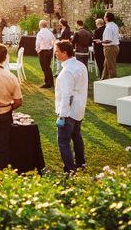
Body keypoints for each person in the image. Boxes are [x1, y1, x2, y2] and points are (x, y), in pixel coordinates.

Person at [54, 40, 88, 173]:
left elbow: (66, 96)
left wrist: (62, 116)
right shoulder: (81, 65)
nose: (55, 54)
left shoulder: (67, 72)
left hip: (68, 112)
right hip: (79, 109)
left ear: (64, 52)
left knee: (63, 142)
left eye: (57, 51)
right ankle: (81, 162)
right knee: (77, 137)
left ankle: (70, 169)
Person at [36, 20, 56, 88]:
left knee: (45, 67)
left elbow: (38, 43)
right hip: (49, 51)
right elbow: (54, 40)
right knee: (48, 67)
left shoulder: (40, 33)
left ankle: (48, 83)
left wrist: (37, 50)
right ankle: (50, 82)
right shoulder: (50, 32)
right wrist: (51, 46)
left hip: (43, 51)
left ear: (40, 25)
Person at [100, 11, 120, 79]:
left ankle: (114, 81)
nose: (103, 17)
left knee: (111, 66)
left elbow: (108, 40)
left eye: (104, 16)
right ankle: (103, 80)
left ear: (107, 18)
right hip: (114, 47)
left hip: (110, 48)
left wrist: (100, 41)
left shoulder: (108, 27)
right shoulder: (114, 25)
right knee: (106, 65)